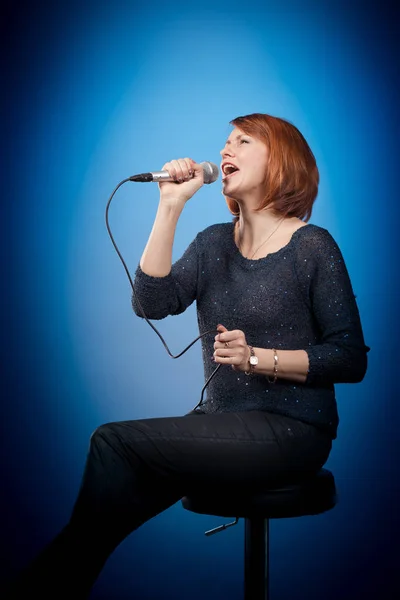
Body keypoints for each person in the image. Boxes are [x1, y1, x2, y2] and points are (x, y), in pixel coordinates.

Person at [4, 113, 369, 598]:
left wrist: (258, 358)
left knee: (114, 444)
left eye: (242, 141)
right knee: (104, 510)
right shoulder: (213, 243)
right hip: (222, 424)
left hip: (293, 430)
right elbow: (150, 304)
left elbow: (349, 358)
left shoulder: (313, 247)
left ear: (281, 160)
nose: (225, 151)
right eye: (224, 142)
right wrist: (170, 206)